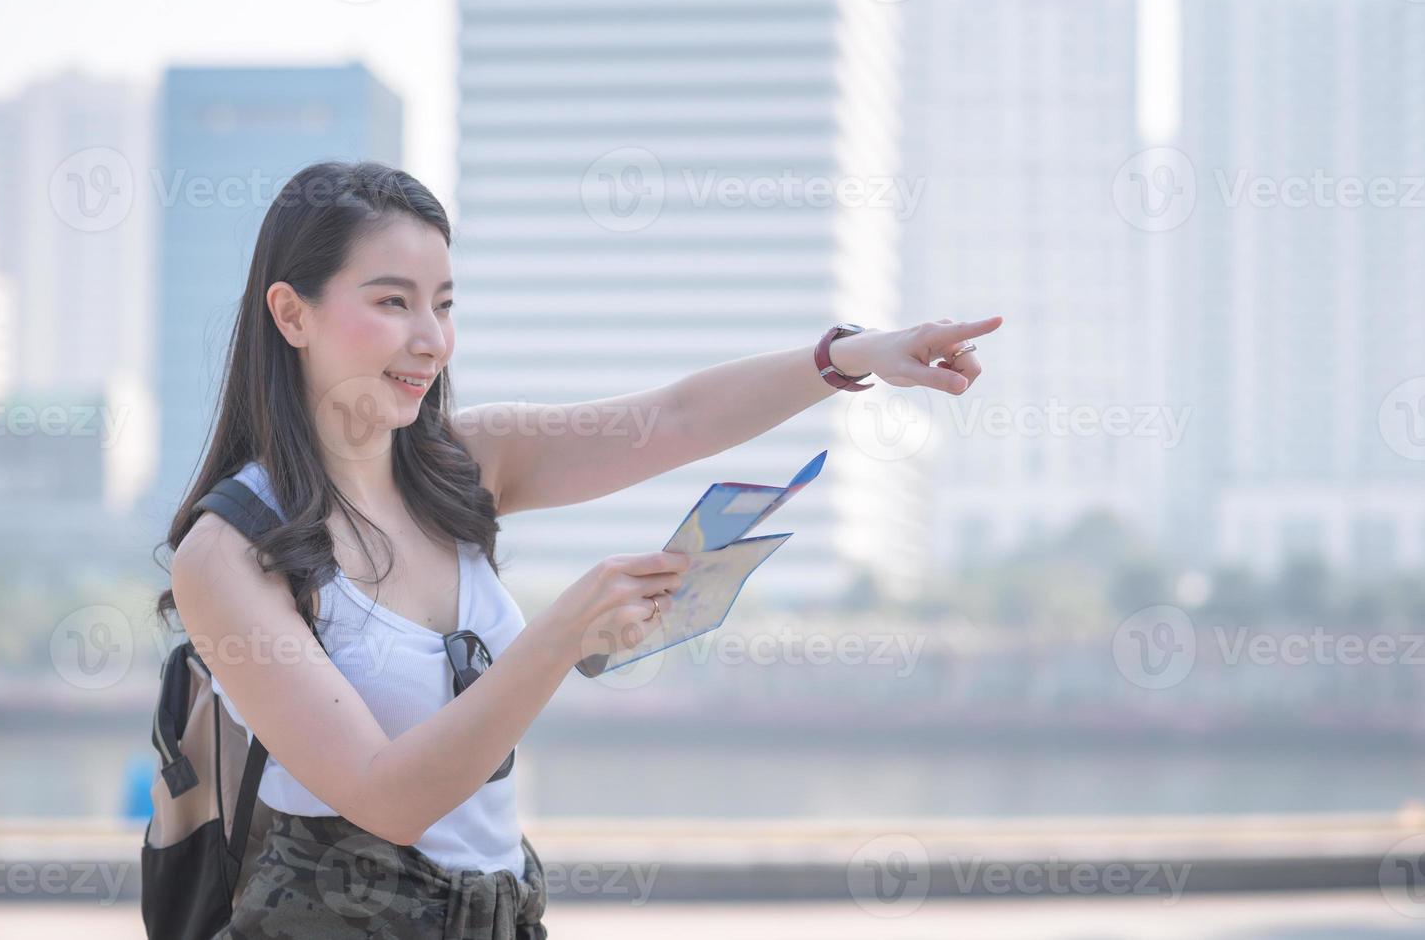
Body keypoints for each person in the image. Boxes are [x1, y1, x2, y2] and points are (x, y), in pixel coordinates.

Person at [154, 159, 1000, 937]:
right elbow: (388, 797)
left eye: (444, 304)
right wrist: (561, 636)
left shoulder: (458, 465)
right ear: (291, 313)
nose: (432, 340)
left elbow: (674, 418)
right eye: (392, 302)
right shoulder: (229, 552)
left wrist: (854, 357)